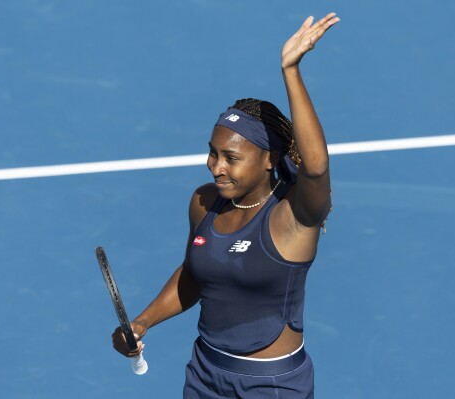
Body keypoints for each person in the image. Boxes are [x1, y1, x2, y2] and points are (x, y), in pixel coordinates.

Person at [112, 13, 340, 398]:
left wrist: (291, 70)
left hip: (271, 386)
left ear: (268, 159)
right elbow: (196, 276)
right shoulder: (204, 203)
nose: (216, 167)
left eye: (231, 158)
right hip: (205, 375)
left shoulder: (294, 217)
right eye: (212, 153)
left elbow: (316, 168)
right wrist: (141, 323)